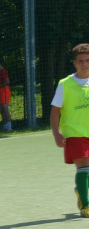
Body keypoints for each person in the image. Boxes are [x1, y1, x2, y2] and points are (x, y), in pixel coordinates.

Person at [50, 43, 89, 218]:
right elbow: (55, 110)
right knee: (83, 167)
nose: (85, 64)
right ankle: (86, 206)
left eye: (88, 60)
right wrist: (57, 133)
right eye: (81, 61)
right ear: (74, 63)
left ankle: (81, 192)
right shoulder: (65, 84)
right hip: (74, 134)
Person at [0, 59, 13, 132]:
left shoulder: (4, 71)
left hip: (5, 91)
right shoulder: (0, 72)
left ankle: (9, 127)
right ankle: (5, 127)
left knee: (5, 109)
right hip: (1, 92)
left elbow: (7, 82)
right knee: (2, 110)